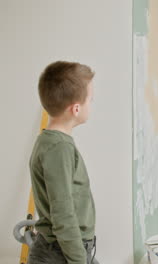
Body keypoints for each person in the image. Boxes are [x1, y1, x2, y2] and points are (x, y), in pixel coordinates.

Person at [28, 61, 99, 264]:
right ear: (76, 109)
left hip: (66, 248)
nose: (91, 105)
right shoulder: (59, 148)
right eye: (90, 100)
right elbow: (63, 213)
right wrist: (78, 260)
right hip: (61, 253)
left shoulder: (51, 142)